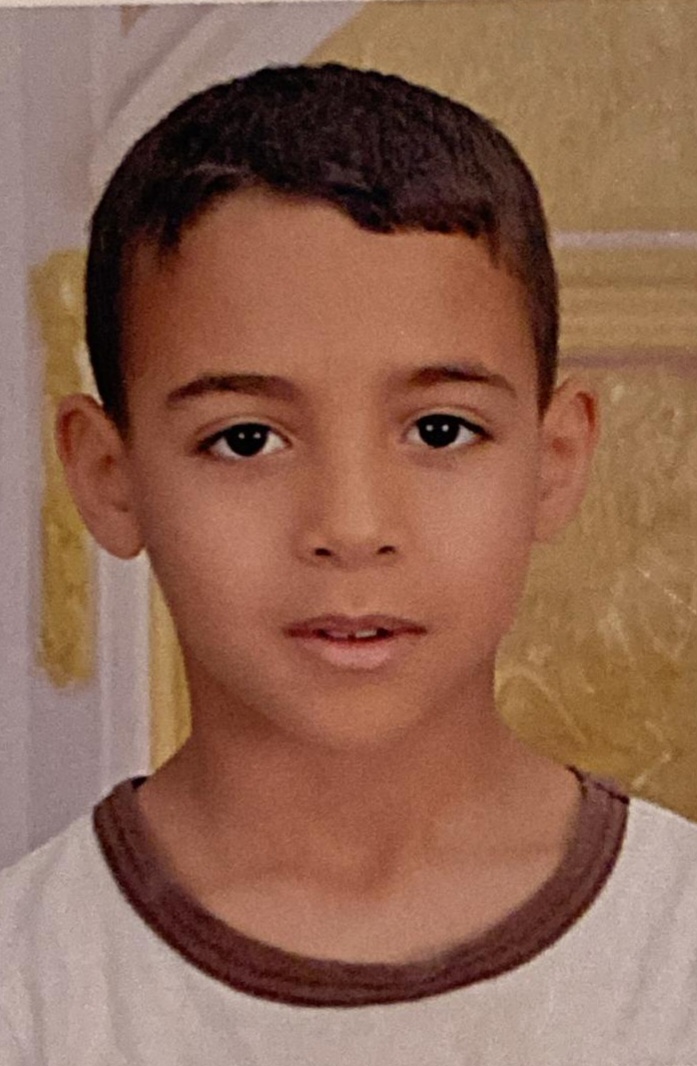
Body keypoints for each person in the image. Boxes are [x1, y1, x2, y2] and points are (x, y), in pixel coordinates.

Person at [2, 62, 697, 1066]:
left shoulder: (674, 956)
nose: (352, 526)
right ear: (110, 479)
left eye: (441, 429)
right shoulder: (28, 992)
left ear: (555, 461)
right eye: (245, 440)